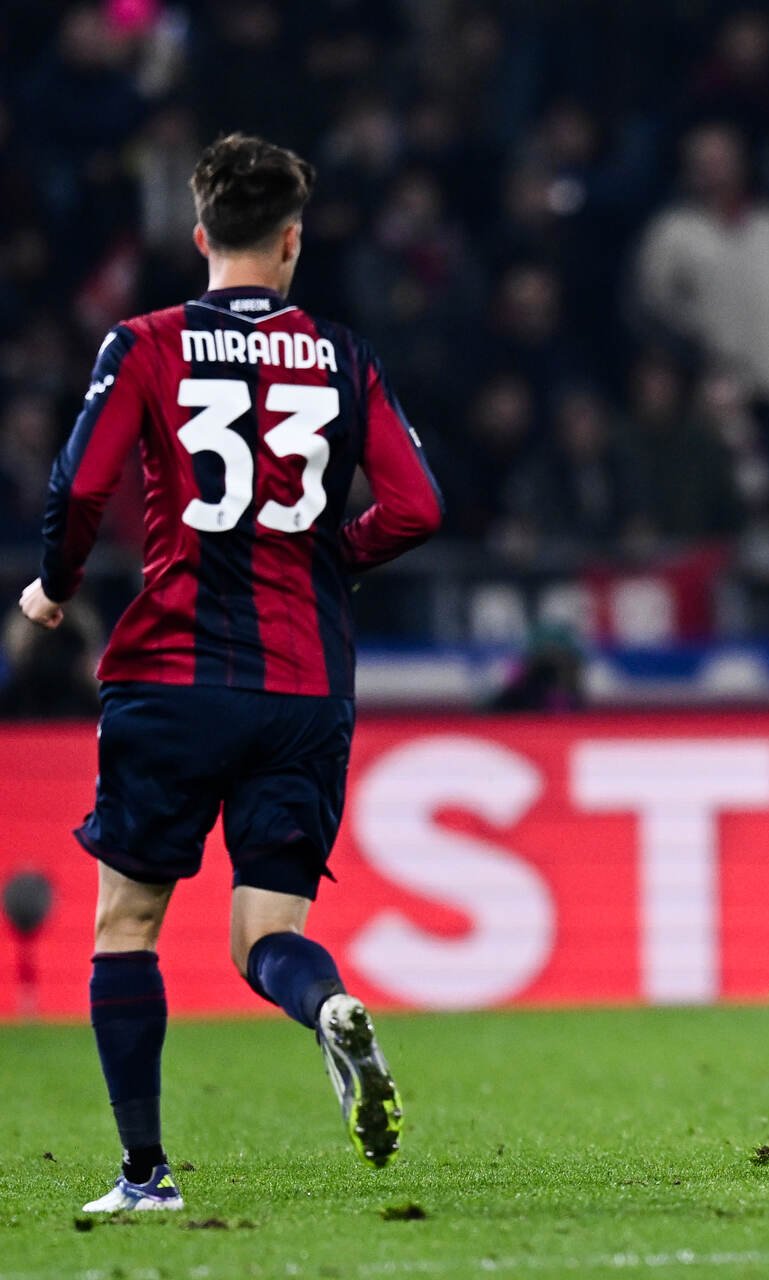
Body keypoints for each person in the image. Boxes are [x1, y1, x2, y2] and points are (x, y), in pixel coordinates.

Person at [18, 133, 443, 1212]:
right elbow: (417, 505)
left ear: (200, 235)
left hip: (171, 671)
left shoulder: (148, 342)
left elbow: (78, 488)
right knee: (269, 935)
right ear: (293, 241)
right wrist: (324, 558)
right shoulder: (343, 355)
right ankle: (328, 1005)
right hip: (305, 684)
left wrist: (53, 587)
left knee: (130, 920)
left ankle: (145, 1173)